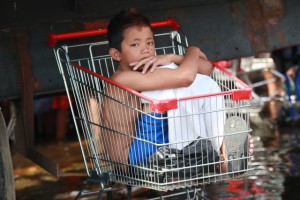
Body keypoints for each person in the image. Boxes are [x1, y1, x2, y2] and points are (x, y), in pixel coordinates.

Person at [90, 8, 254, 175]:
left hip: (154, 146)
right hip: (134, 158)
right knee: (176, 81)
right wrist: (194, 50)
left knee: (194, 80)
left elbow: (206, 70)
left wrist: (172, 58)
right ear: (117, 54)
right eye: (135, 44)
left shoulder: (148, 70)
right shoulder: (122, 79)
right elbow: (187, 77)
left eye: (150, 42)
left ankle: (220, 153)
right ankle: (221, 153)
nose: (145, 49)